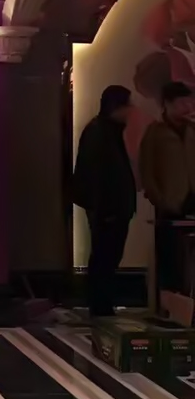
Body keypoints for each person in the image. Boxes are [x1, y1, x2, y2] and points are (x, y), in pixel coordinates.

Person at [72, 85, 136, 317]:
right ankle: (100, 305)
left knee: (107, 256)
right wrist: (104, 209)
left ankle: (102, 304)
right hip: (108, 210)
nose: (131, 111)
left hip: (111, 208)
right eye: (127, 105)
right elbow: (96, 175)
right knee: (105, 257)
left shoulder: (106, 131)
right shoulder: (100, 133)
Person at [139, 81, 195, 297]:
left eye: (189, 102)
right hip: (170, 203)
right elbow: (147, 170)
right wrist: (159, 199)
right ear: (167, 104)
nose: (187, 107)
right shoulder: (155, 132)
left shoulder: (191, 130)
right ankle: (170, 302)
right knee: (170, 257)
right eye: (181, 103)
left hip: (192, 199)